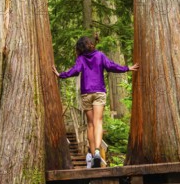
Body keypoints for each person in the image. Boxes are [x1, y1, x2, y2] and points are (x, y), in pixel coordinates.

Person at [52, 33, 139, 168]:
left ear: (80, 48)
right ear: (90, 45)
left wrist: (60, 75)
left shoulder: (81, 59)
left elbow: (75, 71)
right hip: (99, 92)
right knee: (98, 122)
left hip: (86, 93)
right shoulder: (100, 55)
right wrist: (127, 68)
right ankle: (97, 151)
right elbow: (111, 66)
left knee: (90, 124)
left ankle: (92, 156)